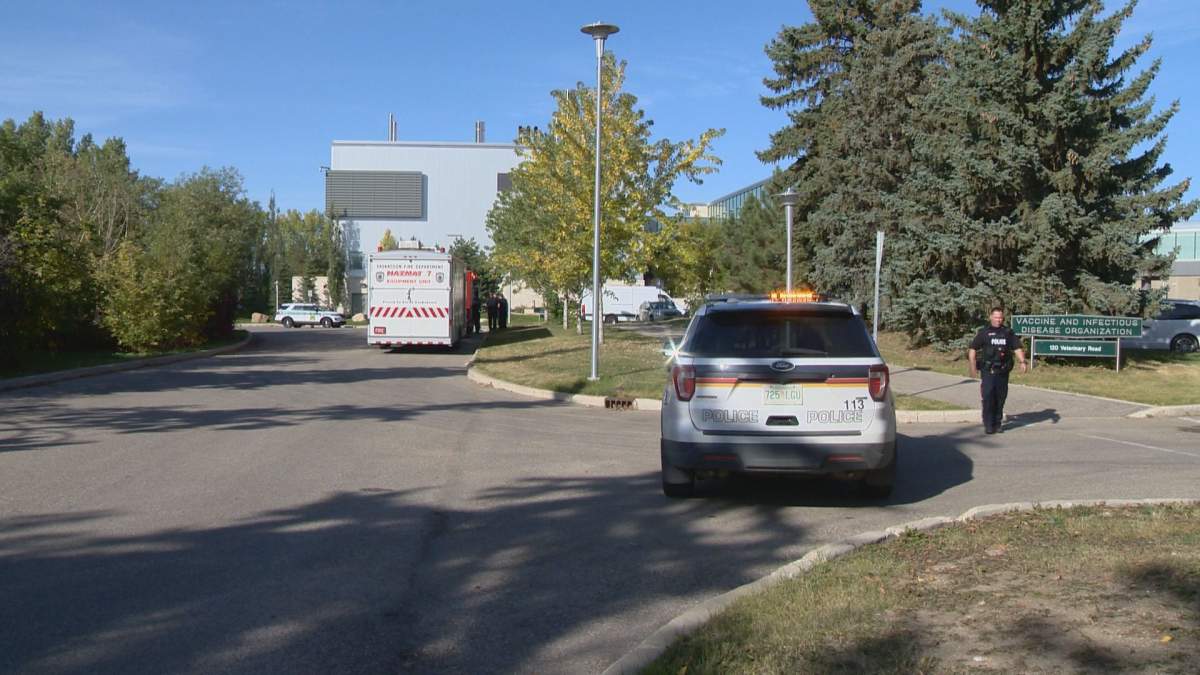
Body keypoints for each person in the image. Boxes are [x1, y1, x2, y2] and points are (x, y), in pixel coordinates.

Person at [968, 307, 1027, 434]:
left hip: (1003, 371)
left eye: (1000, 317)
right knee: (988, 396)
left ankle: (997, 423)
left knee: (1000, 397)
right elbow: (973, 349)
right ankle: (988, 424)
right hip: (988, 370)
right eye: (996, 317)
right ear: (991, 317)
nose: (998, 320)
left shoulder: (1007, 332)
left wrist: (1022, 362)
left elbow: (1017, 347)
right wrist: (972, 367)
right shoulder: (984, 332)